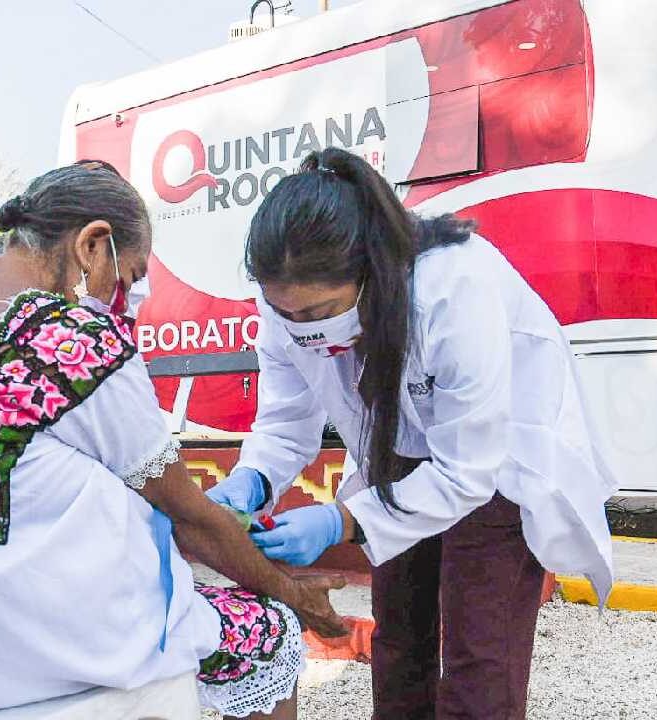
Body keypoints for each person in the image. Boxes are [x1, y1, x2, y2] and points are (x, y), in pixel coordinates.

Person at [0, 162, 345, 719]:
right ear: (93, 245)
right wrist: (295, 596)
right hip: (36, 637)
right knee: (268, 634)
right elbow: (190, 519)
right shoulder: (71, 337)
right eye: (129, 277)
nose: (125, 300)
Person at [206, 148, 615, 720]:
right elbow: (284, 420)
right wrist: (250, 482)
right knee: (398, 635)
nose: (303, 329)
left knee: (481, 653)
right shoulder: (284, 305)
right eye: (287, 315)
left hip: (497, 462)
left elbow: (466, 470)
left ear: (371, 267)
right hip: (394, 458)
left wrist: (341, 520)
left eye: (319, 311)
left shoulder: (453, 285)